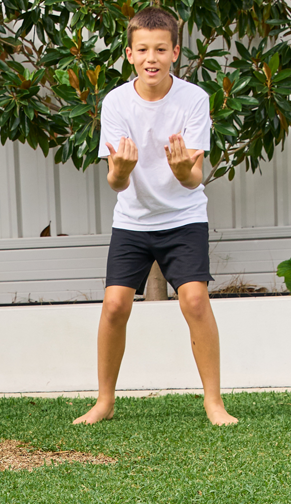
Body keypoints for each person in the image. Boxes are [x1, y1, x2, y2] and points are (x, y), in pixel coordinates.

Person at [74, 6, 236, 427]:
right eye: (143, 49)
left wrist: (183, 169)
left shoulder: (194, 99)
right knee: (114, 307)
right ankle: (105, 401)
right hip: (133, 221)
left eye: (160, 49)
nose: (152, 58)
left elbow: (193, 177)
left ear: (175, 52)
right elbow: (115, 183)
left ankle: (214, 404)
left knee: (196, 301)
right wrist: (122, 170)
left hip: (183, 219)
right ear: (129, 54)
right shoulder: (115, 103)